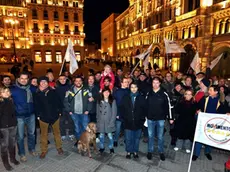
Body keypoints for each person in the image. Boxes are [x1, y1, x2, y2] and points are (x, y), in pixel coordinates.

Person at [193, 85, 227, 161]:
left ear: (216, 92)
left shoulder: (221, 101)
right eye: (209, 90)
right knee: (199, 137)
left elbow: (224, 111)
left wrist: (227, 113)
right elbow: (198, 106)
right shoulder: (205, 98)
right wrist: (199, 110)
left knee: (210, 138)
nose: (208, 91)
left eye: (211, 90)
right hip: (204, 121)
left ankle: (207, 152)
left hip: (213, 123)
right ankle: (196, 153)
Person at [34, 76, 64, 159]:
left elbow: (59, 102)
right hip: (43, 117)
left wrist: (60, 112)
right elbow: (36, 106)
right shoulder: (36, 93)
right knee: (44, 134)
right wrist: (38, 115)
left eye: (45, 81)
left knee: (57, 132)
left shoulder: (53, 91)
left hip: (54, 116)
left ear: (48, 83)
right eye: (42, 82)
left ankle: (59, 147)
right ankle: (43, 150)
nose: (43, 83)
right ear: (39, 83)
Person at [10, 72, 37, 162]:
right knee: (20, 137)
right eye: (22, 78)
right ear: (18, 79)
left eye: (26, 78)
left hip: (31, 115)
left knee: (31, 134)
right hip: (19, 116)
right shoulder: (12, 89)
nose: (24, 80)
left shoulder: (32, 88)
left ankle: (31, 149)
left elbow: (41, 92)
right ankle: (22, 153)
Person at [146, 77, 173, 161]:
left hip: (160, 118)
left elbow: (169, 106)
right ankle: (150, 151)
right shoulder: (149, 93)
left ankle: (161, 151)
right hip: (150, 118)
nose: (155, 84)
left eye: (157, 83)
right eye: (153, 82)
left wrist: (170, 117)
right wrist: (145, 116)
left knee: (160, 136)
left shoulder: (164, 93)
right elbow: (145, 105)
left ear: (160, 83)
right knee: (150, 136)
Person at [64, 76, 92, 145]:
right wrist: (69, 110)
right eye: (76, 81)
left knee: (85, 127)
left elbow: (90, 101)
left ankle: (86, 141)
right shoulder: (70, 91)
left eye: (80, 81)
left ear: (82, 82)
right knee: (77, 128)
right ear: (74, 82)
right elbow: (65, 101)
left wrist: (88, 110)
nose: (78, 82)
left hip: (84, 112)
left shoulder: (86, 90)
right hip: (74, 113)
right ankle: (79, 141)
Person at [120, 82, 145, 159]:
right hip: (128, 121)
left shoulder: (141, 97)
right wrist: (124, 118)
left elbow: (144, 109)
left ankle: (135, 151)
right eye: (132, 87)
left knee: (136, 138)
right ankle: (128, 151)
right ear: (130, 88)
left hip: (138, 122)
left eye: (135, 87)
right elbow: (122, 108)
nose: (133, 89)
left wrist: (142, 119)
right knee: (128, 138)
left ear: (137, 88)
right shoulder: (126, 97)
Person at [0, 87, 20, 171]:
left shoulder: (11, 100)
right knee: (4, 145)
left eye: (8, 91)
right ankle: (6, 163)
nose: (7, 93)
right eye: (4, 92)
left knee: (12, 143)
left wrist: (15, 122)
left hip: (13, 125)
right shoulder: (1, 102)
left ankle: (13, 158)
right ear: (0, 94)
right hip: (3, 127)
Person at [97, 89, 117, 154]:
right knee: (101, 135)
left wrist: (112, 122)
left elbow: (114, 113)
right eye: (105, 92)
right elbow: (97, 113)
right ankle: (101, 147)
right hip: (101, 122)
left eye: (107, 92)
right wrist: (98, 122)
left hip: (109, 122)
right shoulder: (99, 101)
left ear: (110, 93)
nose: (106, 93)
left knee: (110, 135)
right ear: (102, 93)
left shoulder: (112, 101)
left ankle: (111, 147)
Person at [55, 75, 74, 141]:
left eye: (64, 79)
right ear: (58, 80)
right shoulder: (56, 88)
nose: (62, 80)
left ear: (66, 79)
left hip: (69, 107)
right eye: (61, 79)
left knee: (71, 121)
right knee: (61, 121)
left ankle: (71, 133)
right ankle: (63, 134)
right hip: (61, 108)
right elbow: (56, 100)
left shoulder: (70, 87)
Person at [113, 77, 130, 147]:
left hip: (127, 113)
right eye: (125, 82)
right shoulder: (117, 92)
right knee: (118, 128)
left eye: (127, 82)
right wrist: (116, 113)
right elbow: (114, 103)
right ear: (122, 83)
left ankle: (126, 139)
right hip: (119, 113)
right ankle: (115, 140)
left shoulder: (129, 91)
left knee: (126, 128)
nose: (127, 83)